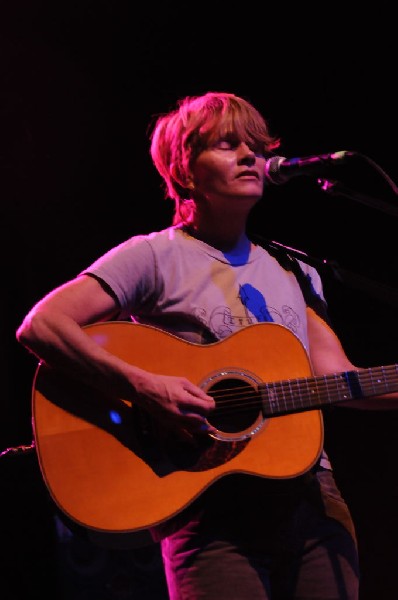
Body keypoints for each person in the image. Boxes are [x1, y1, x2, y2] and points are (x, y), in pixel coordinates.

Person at [16, 91, 398, 600]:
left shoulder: (298, 273)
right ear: (185, 170)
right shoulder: (152, 256)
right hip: (205, 504)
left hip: (311, 502)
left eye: (256, 146)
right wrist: (145, 386)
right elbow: (42, 326)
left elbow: (341, 380)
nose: (249, 156)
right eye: (226, 144)